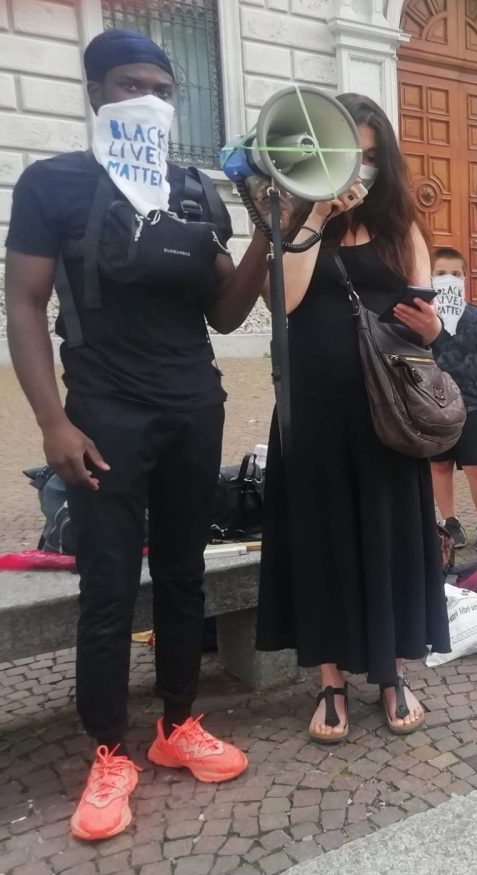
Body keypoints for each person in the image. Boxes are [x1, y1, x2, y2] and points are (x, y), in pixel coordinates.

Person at [3, 30, 266, 841]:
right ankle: (110, 751)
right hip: (104, 414)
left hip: (193, 408)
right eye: (129, 84)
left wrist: (268, 232)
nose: (147, 99)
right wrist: (53, 420)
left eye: (161, 88)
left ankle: (177, 723)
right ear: (95, 92)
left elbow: (226, 312)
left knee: (184, 573)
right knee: (111, 585)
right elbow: (24, 304)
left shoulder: (192, 190)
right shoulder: (53, 184)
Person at [256, 93, 450, 744]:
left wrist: (435, 330)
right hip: (313, 411)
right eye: (348, 157)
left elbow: (425, 325)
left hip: (385, 414)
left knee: (390, 539)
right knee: (323, 540)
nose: (358, 170)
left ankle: (392, 672)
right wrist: (315, 212)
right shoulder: (297, 222)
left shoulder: (402, 229)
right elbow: (285, 302)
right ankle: (331, 680)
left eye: (369, 157)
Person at [427, 246, 477, 553]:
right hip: (434, 407)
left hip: (473, 404)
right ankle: (450, 521)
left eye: (455, 274)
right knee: (440, 466)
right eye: (441, 273)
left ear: (465, 279)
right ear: (430, 278)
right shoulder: (423, 319)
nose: (448, 278)